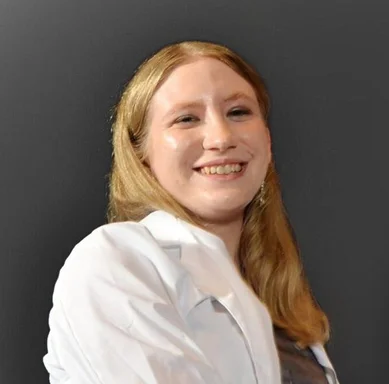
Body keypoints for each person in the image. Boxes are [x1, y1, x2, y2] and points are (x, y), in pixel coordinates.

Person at [43, 40, 339, 384]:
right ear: (141, 155)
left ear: (267, 140)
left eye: (238, 112)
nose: (221, 137)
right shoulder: (115, 262)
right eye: (186, 119)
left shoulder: (280, 307)